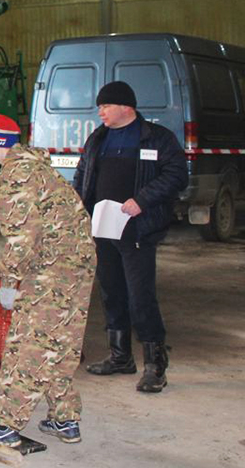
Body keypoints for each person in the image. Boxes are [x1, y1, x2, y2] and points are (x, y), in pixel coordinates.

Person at [0, 114, 96, 447]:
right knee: (62, 341)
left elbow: (23, 236)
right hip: (78, 262)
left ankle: (5, 426)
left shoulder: (17, 173)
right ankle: (65, 418)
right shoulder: (38, 166)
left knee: (29, 344)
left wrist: (9, 282)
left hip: (53, 266)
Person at [73, 81, 187, 393]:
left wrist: (143, 200)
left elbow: (177, 174)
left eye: (105, 106)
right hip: (103, 230)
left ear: (126, 107)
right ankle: (120, 356)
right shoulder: (98, 138)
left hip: (137, 231)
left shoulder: (156, 138)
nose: (101, 112)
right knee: (111, 292)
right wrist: (78, 208)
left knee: (141, 296)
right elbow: (83, 175)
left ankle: (155, 365)